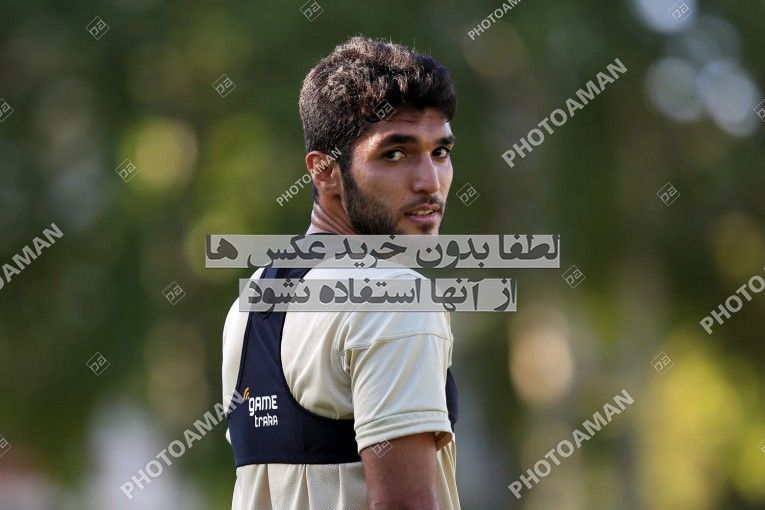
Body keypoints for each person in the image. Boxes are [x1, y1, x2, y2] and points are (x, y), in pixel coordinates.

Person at [221, 35, 460, 509]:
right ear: (324, 171)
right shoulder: (393, 297)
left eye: (439, 152)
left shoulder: (252, 302)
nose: (429, 182)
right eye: (395, 154)